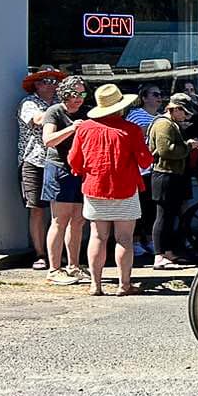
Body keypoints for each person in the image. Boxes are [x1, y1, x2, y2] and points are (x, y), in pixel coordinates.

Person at [68, 84, 152, 297]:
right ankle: (124, 285)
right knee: (124, 238)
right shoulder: (131, 130)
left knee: (97, 237)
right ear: (120, 106)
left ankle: (95, 285)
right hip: (125, 187)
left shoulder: (84, 128)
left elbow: (74, 160)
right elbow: (145, 160)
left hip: (95, 187)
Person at [41, 76, 87, 284]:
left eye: (82, 94)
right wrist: (72, 128)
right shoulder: (55, 112)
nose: (79, 99)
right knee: (60, 220)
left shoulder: (87, 112)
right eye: (75, 94)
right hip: (59, 168)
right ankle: (54, 268)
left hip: (80, 170)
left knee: (78, 220)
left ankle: (74, 265)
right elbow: (48, 140)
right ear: (65, 94)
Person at [18, 66, 63, 268]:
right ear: (37, 84)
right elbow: (37, 120)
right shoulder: (28, 103)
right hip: (34, 161)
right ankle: (40, 253)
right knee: (36, 209)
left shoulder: (59, 103)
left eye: (55, 81)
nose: (53, 85)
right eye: (47, 81)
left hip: (59, 160)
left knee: (61, 210)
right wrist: (59, 112)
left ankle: (58, 253)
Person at [147, 93, 195, 269]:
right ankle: (159, 255)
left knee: (170, 216)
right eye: (183, 112)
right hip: (164, 174)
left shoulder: (172, 124)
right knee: (163, 216)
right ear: (174, 109)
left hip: (172, 174)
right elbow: (166, 150)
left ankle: (167, 252)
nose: (185, 116)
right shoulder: (163, 124)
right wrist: (188, 146)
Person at [124, 84, 162, 260]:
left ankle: (149, 239)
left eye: (160, 94)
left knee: (151, 208)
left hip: (155, 168)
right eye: (155, 94)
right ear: (144, 98)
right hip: (139, 169)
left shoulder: (161, 117)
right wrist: (157, 129)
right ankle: (136, 240)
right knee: (138, 207)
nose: (159, 97)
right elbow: (134, 133)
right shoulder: (136, 114)